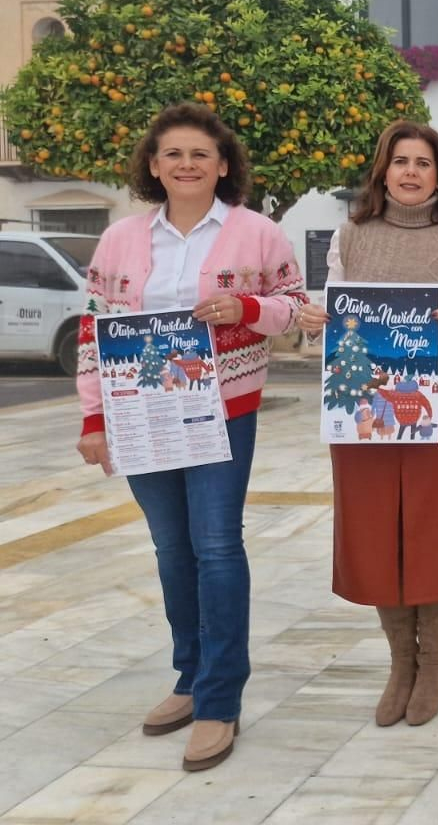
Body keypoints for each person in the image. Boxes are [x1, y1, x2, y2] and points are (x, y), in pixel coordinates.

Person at [75, 102, 307, 772]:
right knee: (171, 548)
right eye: (172, 154)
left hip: (221, 410)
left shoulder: (257, 233)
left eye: (200, 154)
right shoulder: (120, 239)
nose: (186, 164)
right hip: (141, 413)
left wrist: (250, 307)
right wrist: (94, 419)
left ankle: (219, 697)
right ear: (153, 165)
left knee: (215, 546)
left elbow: (298, 307)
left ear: (223, 165)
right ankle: (189, 675)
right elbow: (95, 330)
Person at [298, 121, 438, 728]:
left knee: (435, 524)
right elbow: (336, 313)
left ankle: (434, 661)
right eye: (401, 162)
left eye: (424, 163)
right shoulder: (351, 234)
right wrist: (317, 321)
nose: (412, 172)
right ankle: (400, 663)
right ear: (383, 171)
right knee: (374, 525)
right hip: (365, 389)